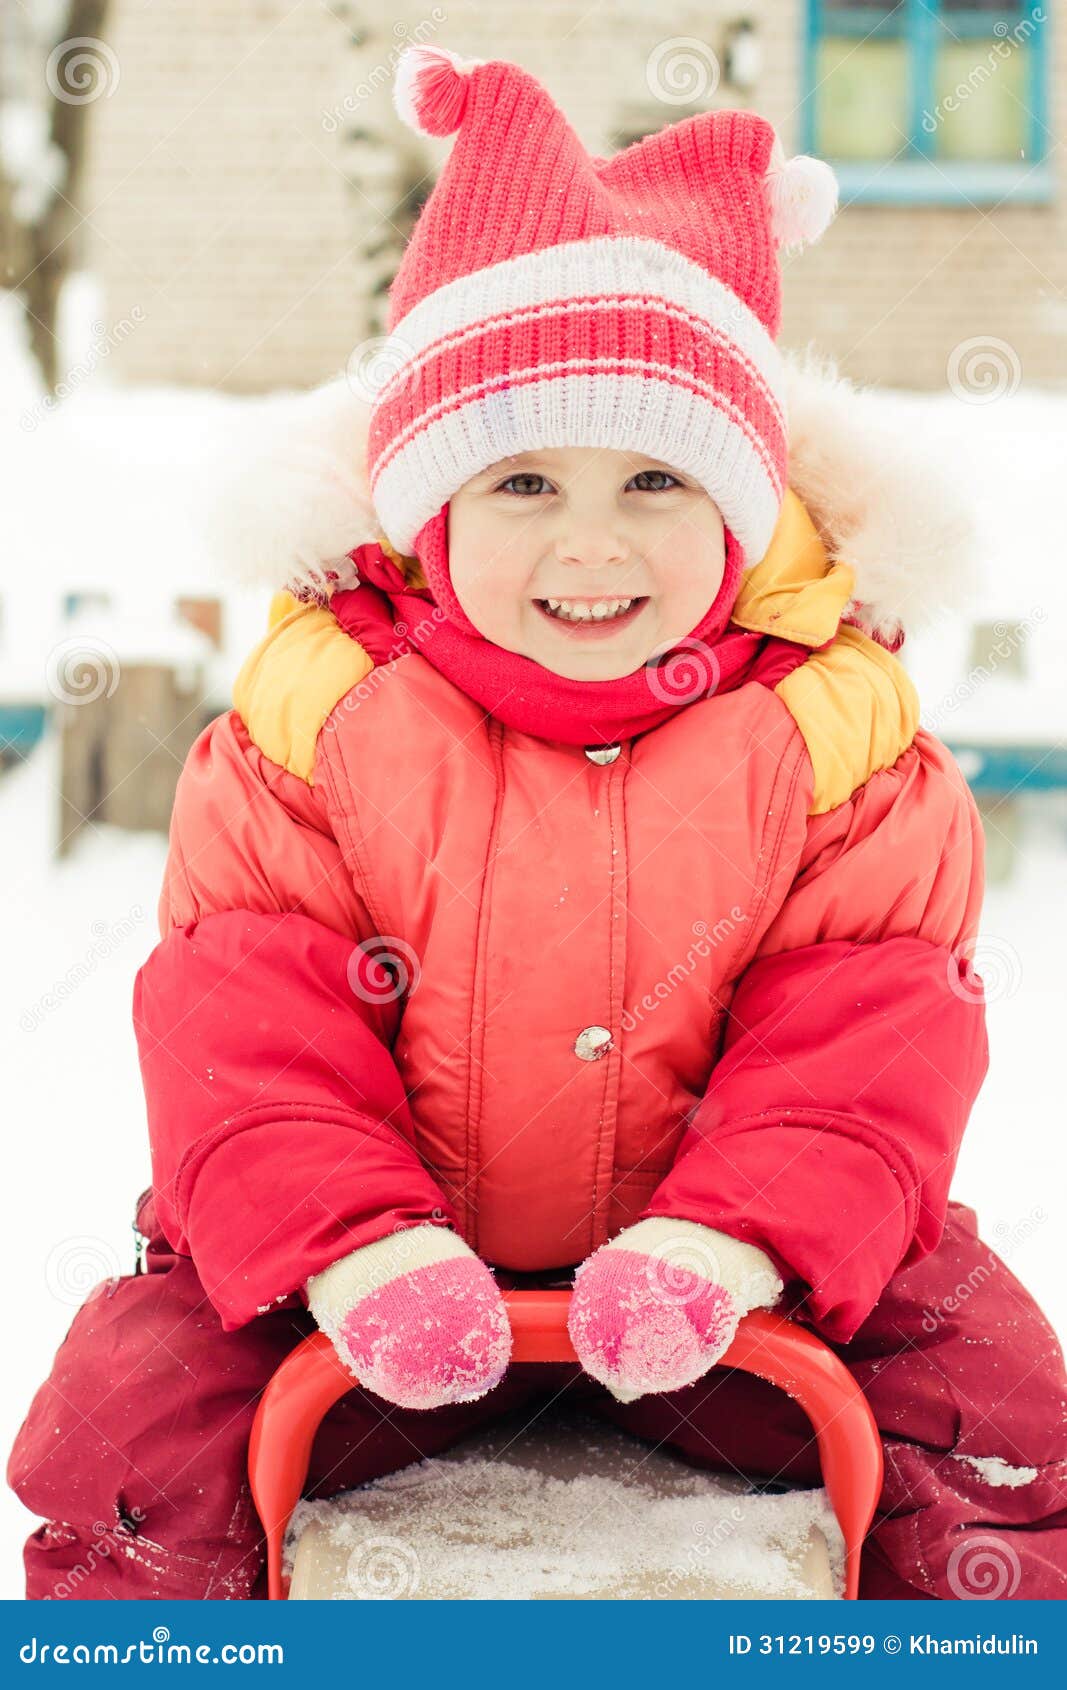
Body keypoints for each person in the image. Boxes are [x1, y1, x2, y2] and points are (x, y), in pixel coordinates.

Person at [9, 45, 1067, 1602]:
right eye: (518, 482)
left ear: (744, 512)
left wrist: (730, 1246)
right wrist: (356, 1249)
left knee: (997, 1404)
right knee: (129, 1414)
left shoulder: (829, 740)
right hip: (354, 1297)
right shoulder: (320, 724)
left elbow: (867, 1029)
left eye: (655, 475)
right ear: (427, 517)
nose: (590, 542)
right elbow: (247, 1009)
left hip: (740, 1296)